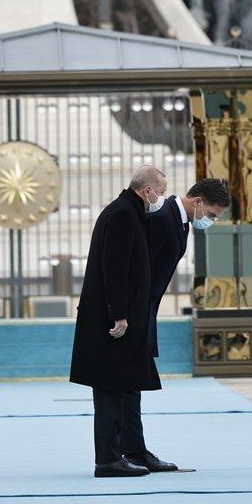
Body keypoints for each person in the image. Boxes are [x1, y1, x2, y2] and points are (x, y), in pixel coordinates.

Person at [70, 166, 173, 477]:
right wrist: (120, 314)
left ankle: (119, 454)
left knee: (117, 389)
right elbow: (114, 269)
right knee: (109, 391)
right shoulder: (123, 215)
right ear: (147, 191)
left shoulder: (126, 212)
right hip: (111, 323)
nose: (161, 199)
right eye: (161, 193)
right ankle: (108, 460)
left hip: (115, 319)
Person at [146, 178, 231, 359]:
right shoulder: (162, 217)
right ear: (197, 202)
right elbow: (140, 267)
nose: (212, 220)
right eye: (211, 215)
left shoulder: (180, 221)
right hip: (136, 307)